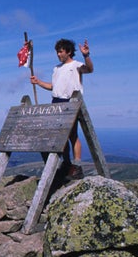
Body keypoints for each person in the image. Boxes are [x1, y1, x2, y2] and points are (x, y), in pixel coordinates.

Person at [30, 38, 94, 178]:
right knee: (60, 136)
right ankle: (66, 163)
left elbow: (89, 69)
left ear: (69, 51)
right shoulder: (56, 68)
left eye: (60, 51)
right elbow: (54, 87)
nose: (58, 54)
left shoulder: (77, 65)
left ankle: (77, 166)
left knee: (72, 135)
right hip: (56, 101)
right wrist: (38, 82)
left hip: (71, 101)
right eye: (57, 52)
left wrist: (86, 55)